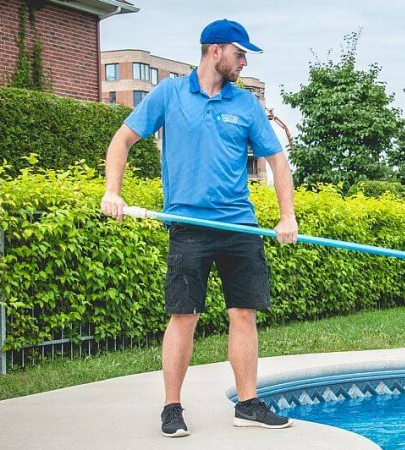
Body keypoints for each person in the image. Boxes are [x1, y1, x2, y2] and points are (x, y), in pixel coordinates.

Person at [99, 19, 298, 438]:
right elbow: (121, 141)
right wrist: (112, 192)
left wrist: (287, 216)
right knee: (183, 316)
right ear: (215, 51)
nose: (244, 61)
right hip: (189, 226)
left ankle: (247, 404)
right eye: (240, 53)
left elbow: (278, 161)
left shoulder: (244, 105)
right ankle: (171, 407)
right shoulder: (169, 95)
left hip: (240, 226)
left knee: (243, 314)